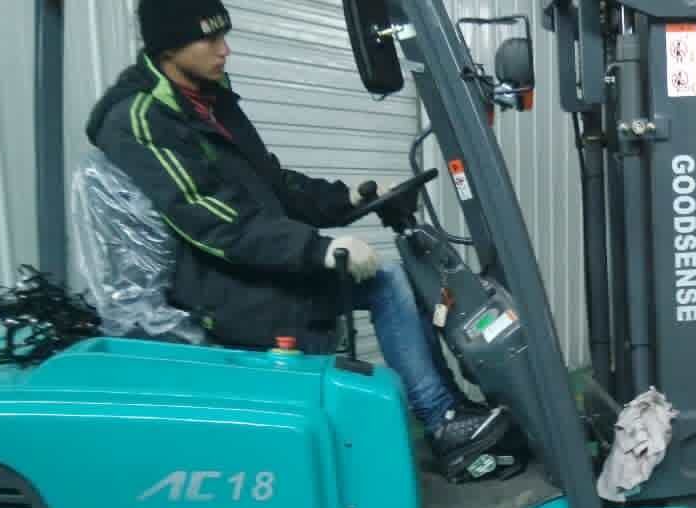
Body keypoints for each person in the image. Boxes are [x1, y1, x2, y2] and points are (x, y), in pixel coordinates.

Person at [85, 0, 510, 468]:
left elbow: (271, 183)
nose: (225, 50)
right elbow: (210, 217)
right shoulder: (142, 117)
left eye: (224, 36)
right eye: (210, 39)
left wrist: (346, 197)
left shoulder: (209, 98)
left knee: (399, 278)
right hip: (219, 288)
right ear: (169, 46)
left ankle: (449, 409)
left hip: (247, 268)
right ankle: (442, 417)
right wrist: (317, 248)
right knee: (386, 282)